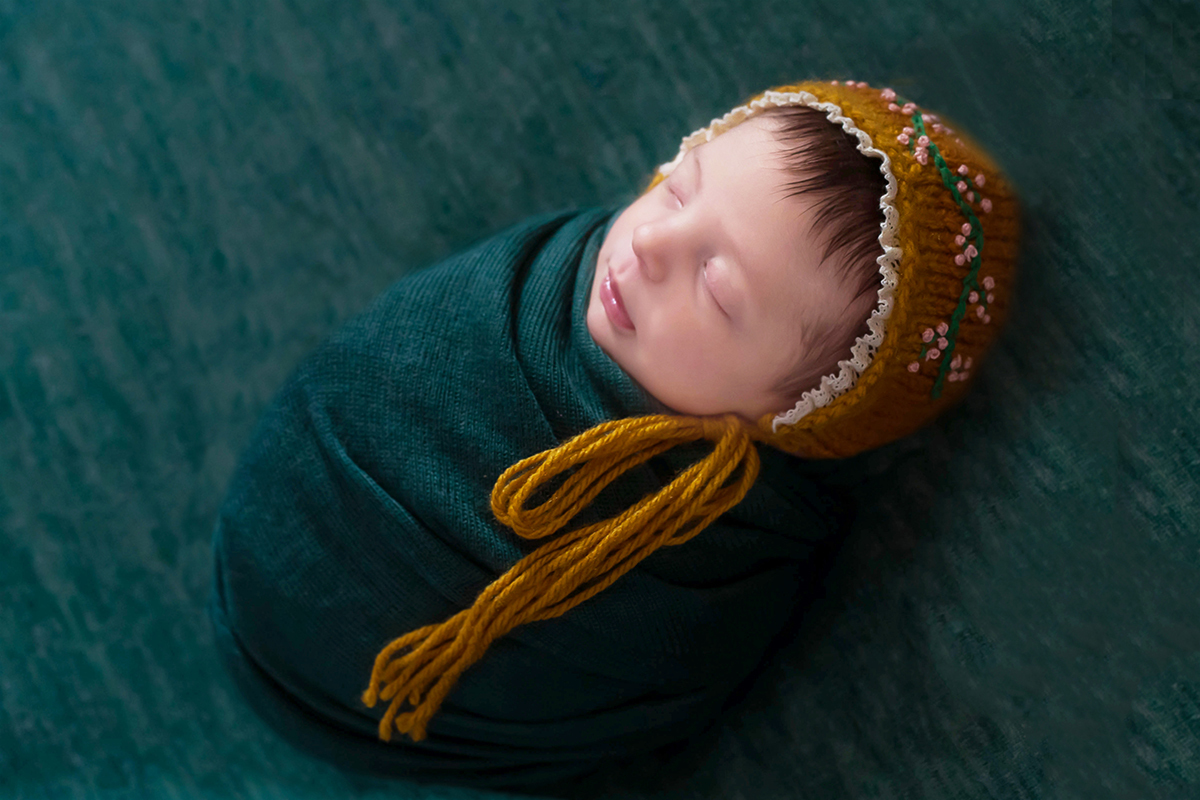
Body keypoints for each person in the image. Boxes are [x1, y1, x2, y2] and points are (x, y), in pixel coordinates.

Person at [208, 80, 1020, 791]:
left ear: (802, 411)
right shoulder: (529, 280)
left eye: (717, 286)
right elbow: (367, 369)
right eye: (676, 189)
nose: (649, 243)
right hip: (262, 541)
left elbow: (673, 688)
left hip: (399, 715)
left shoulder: (723, 556)